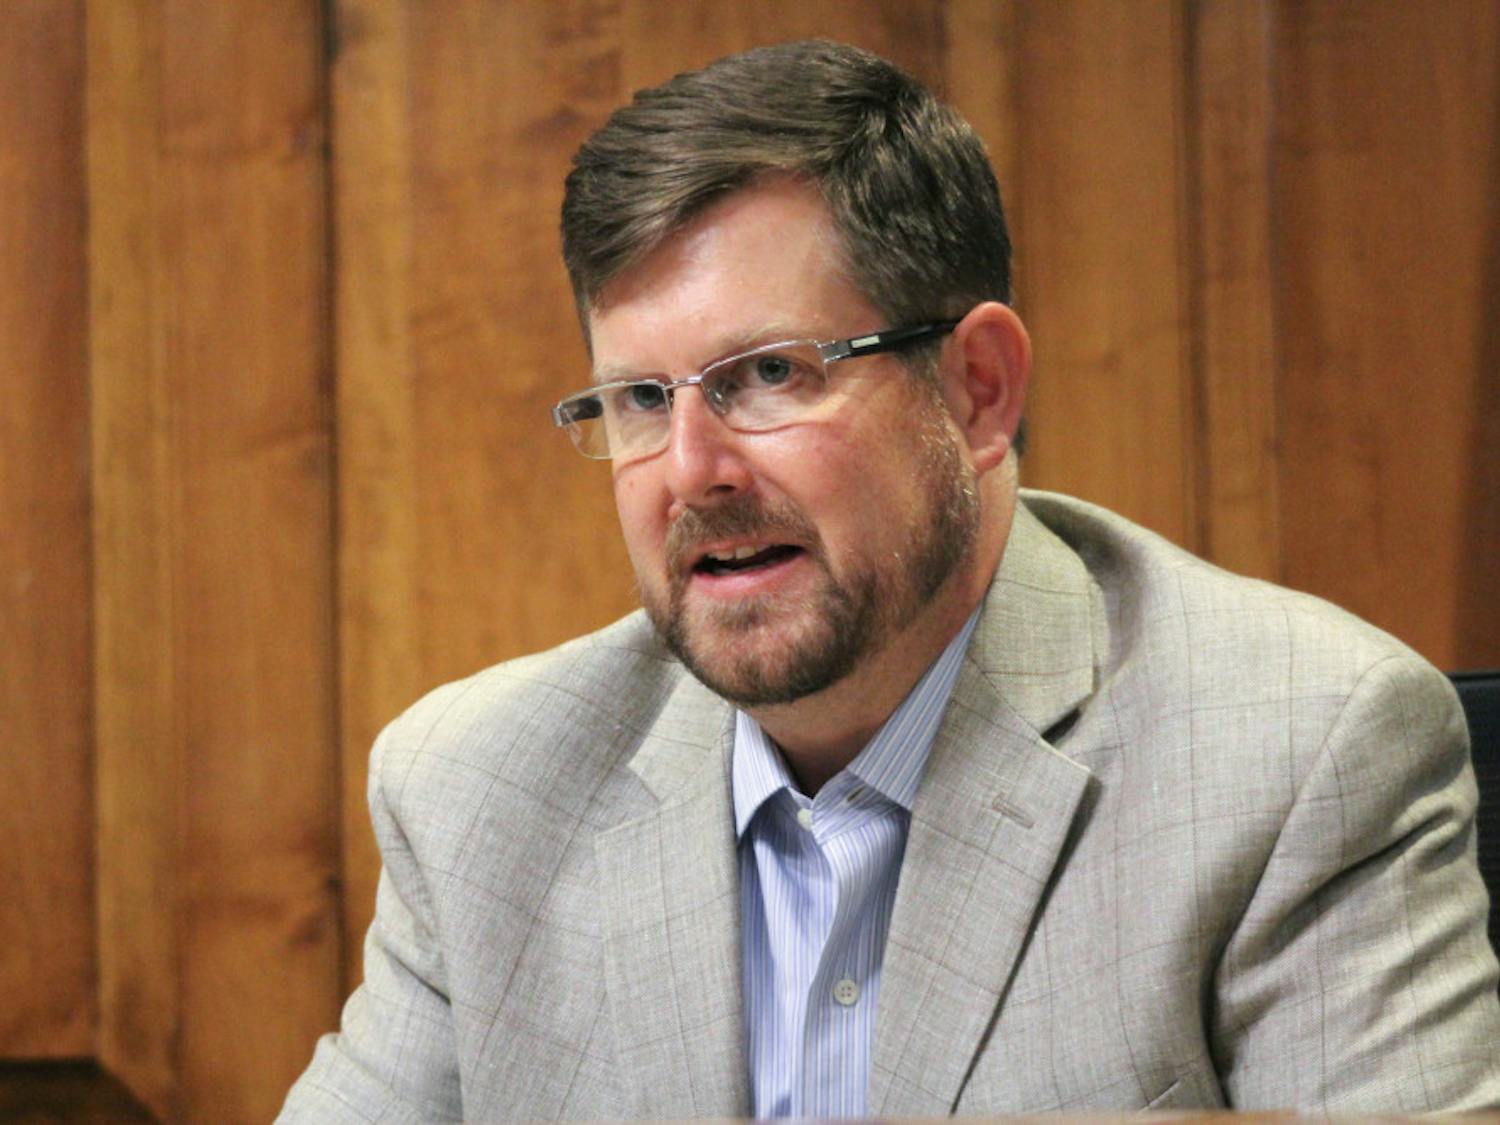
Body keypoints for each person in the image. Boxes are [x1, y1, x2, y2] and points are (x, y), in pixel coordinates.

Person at [280, 40, 1500, 1121]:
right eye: (641, 399)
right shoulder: (481, 792)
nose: (692, 472)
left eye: (768, 375)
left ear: (976, 389)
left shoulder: (1301, 752)